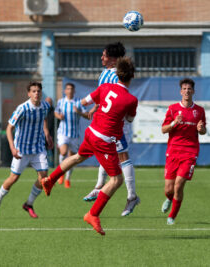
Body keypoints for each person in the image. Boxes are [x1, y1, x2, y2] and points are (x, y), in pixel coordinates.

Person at [41, 57, 138, 235]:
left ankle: (50, 180)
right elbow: (129, 119)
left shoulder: (105, 87)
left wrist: (98, 105)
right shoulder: (131, 99)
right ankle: (93, 214)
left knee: (78, 157)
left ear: (116, 74)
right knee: (116, 180)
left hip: (91, 131)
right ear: (132, 76)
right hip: (103, 139)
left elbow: (85, 102)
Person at [83, 42, 140, 217]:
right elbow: (103, 96)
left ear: (113, 59)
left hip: (116, 125)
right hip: (105, 124)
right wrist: (95, 108)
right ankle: (100, 186)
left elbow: (118, 99)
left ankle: (131, 196)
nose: (102, 57)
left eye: (105, 55)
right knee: (107, 153)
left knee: (122, 157)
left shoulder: (118, 75)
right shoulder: (104, 74)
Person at [0, 81, 53, 219]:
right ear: (29, 93)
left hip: (38, 148)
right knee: (13, 178)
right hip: (22, 150)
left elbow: (44, 117)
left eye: (38, 91)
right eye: (34, 91)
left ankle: (28, 204)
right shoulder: (22, 109)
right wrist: (12, 147)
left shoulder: (44, 106)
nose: (36, 93)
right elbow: (9, 128)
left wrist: (47, 134)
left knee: (44, 179)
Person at [160, 78, 206, 225]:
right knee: (169, 189)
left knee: (179, 184)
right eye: (184, 89)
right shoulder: (173, 109)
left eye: (189, 89)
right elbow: (163, 129)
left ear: (193, 91)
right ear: (181, 91)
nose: (187, 91)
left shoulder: (199, 111)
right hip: (173, 151)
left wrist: (202, 129)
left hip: (190, 152)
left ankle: (172, 216)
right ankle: (168, 198)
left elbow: (203, 130)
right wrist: (174, 123)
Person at [54, 83, 89, 188]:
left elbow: (87, 116)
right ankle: (61, 173)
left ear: (74, 91)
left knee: (72, 157)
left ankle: (67, 179)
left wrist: (79, 112)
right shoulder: (61, 102)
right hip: (63, 133)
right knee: (63, 152)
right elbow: (56, 112)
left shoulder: (78, 102)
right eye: (68, 89)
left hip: (74, 134)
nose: (69, 91)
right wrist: (59, 116)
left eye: (71, 89)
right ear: (65, 91)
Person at [44, 97, 55, 168]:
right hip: (43, 135)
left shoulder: (54, 111)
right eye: (47, 102)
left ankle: (54, 164)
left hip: (53, 134)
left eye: (50, 102)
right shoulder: (42, 110)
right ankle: (44, 164)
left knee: (53, 150)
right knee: (43, 151)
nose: (48, 103)